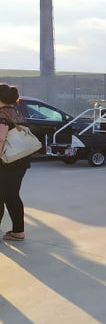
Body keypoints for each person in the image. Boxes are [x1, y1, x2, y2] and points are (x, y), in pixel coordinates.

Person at [0, 84, 31, 240]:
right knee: (12, 195)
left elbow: (0, 138)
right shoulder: (16, 112)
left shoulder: (2, 114)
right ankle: (18, 232)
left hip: (5, 161)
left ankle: (17, 232)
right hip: (21, 159)